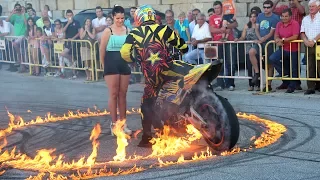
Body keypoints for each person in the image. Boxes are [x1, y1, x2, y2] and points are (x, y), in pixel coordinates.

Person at [120, 5, 189, 147]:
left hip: (152, 76)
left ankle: (147, 138)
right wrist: (183, 48)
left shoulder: (134, 33)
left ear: (139, 18)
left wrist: (132, 60)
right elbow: (182, 45)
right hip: (169, 70)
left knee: (146, 104)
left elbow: (124, 53)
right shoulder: (164, 29)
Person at [99, 5, 132, 136]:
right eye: (117, 18)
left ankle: (123, 124)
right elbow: (102, 49)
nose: (120, 20)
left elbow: (130, 48)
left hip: (124, 63)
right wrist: (103, 65)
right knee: (113, 94)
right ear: (113, 17)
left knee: (123, 94)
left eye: (122, 18)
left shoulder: (128, 30)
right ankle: (114, 125)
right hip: (111, 62)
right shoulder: (108, 31)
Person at [269, 8, 300, 93]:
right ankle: (285, 75)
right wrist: (277, 41)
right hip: (282, 48)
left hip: (293, 49)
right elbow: (276, 35)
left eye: (286, 16)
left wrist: (282, 40)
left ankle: (292, 86)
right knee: (272, 58)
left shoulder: (295, 23)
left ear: (290, 16)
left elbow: (295, 36)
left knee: (294, 68)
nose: (284, 18)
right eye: (282, 16)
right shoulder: (279, 24)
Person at [255, 0, 280, 91]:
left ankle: (268, 84)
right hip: (260, 42)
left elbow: (271, 32)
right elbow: (257, 29)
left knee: (269, 64)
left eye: (268, 7)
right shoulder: (260, 16)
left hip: (270, 43)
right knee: (254, 56)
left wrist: (263, 39)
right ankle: (258, 79)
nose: (266, 9)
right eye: (264, 7)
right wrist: (259, 38)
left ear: (271, 8)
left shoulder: (275, 18)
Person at [235, 11, 260, 91]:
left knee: (257, 66)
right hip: (248, 47)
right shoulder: (246, 26)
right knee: (249, 67)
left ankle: (258, 84)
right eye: (251, 16)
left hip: (256, 47)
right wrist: (238, 39)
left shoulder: (258, 25)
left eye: (254, 16)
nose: (252, 18)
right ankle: (251, 84)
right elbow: (243, 36)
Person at [300, 0, 320, 95]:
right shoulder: (305, 19)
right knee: (310, 65)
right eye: (310, 6)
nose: (311, 8)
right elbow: (302, 32)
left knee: (319, 65)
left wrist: (315, 40)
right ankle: (311, 87)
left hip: (318, 43)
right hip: (308, 44)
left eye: (313, 6)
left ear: (318, 7)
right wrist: (305, 40)